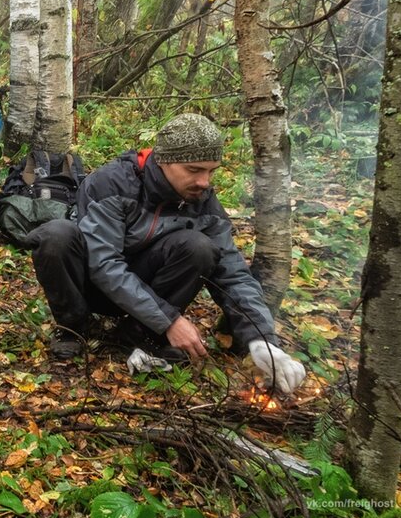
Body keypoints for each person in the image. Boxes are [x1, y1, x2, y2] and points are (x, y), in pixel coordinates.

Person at [22, 114, 307, 394]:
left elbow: (234, 273)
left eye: (211, 171)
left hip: (148, 289)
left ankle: (138, 333)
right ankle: (73, 327)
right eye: (194, 170)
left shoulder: (202, 201)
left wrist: (262, 340)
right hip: (90, 285)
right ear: (164, 160)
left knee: (200, 247)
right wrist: (170, 320)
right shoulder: (113, 182)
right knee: (56, 236)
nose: (204, 182)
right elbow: (104, 264)